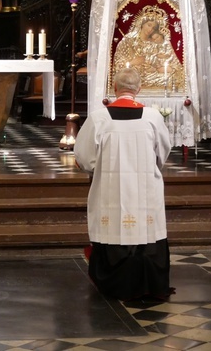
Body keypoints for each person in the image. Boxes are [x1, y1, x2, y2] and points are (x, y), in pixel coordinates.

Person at [74, 67, 173, 301]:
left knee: (113, 227)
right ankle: (149, 283)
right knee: (147, 231)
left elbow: (85, 157)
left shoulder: (99, 118)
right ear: (138, 90)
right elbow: (163, 152)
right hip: (146, 188)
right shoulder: (153, 117)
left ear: (115, 89)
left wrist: (94, 167)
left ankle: (114, 281)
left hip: (110, 189)